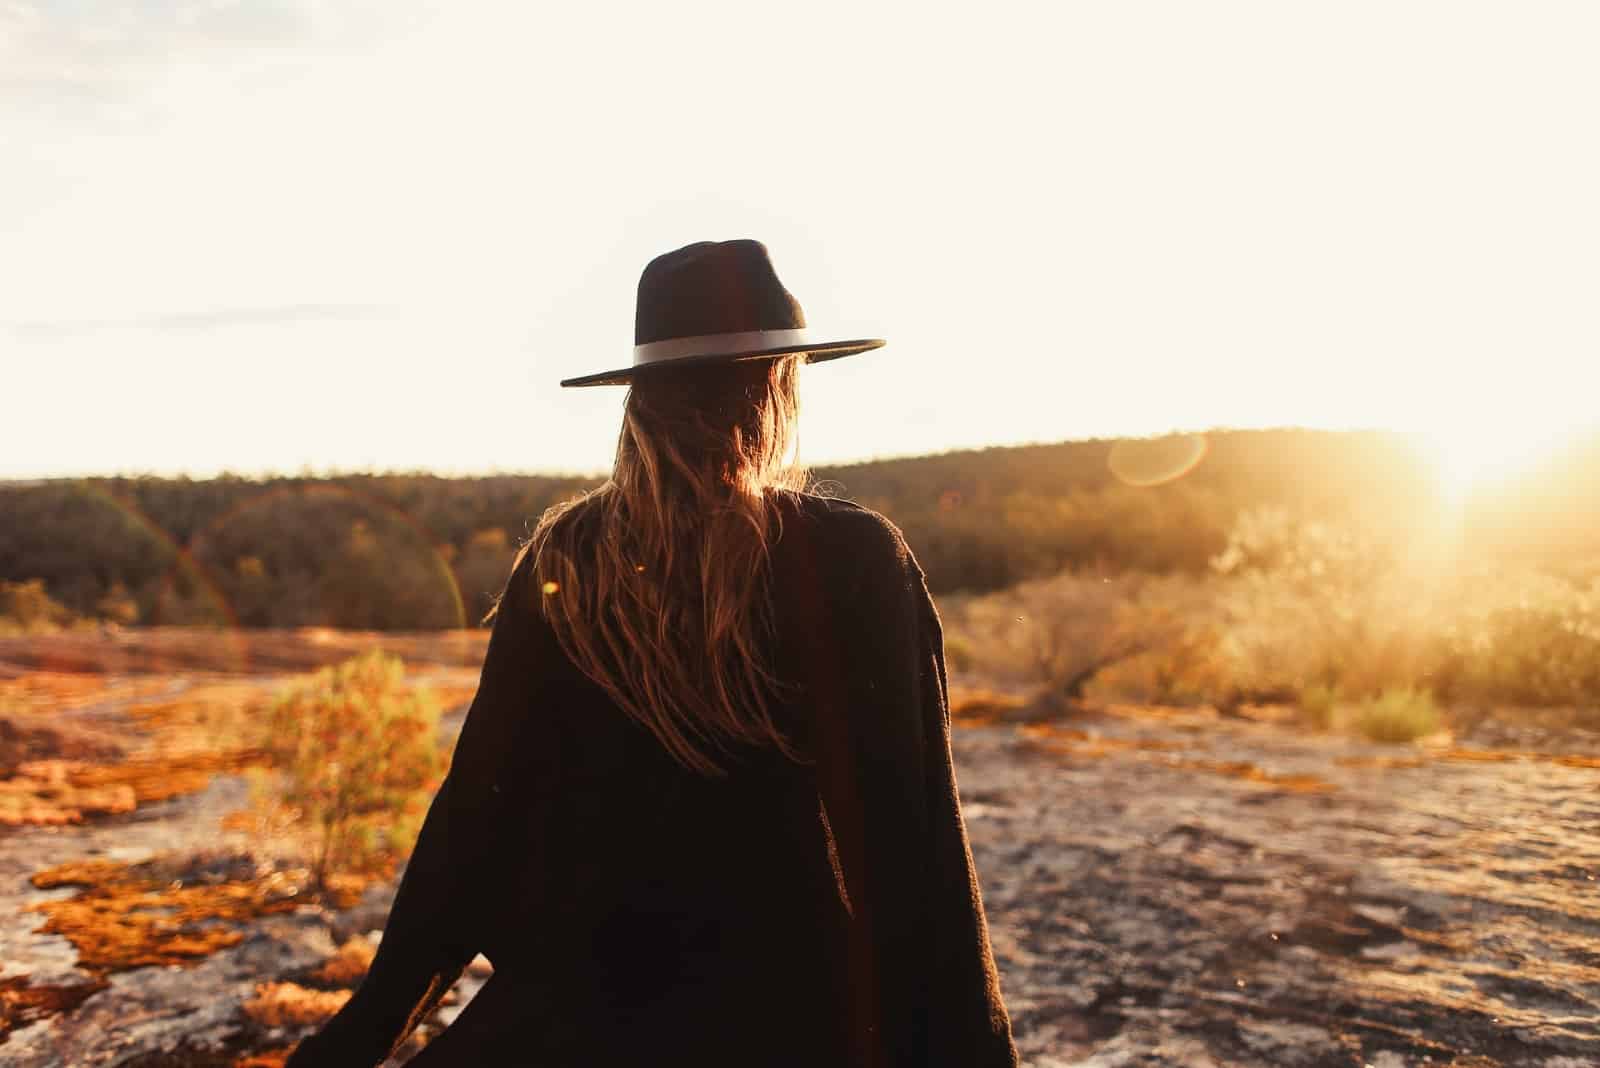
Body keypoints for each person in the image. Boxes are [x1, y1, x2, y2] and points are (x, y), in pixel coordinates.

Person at [285, 239, 1018, 1066]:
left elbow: (473, 824)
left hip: (566, 1025)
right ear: (779, 384)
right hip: (783, 1026)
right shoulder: (847, 560)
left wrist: (358, 1038)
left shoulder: (564, 556)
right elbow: (911, 853)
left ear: (640, 397)